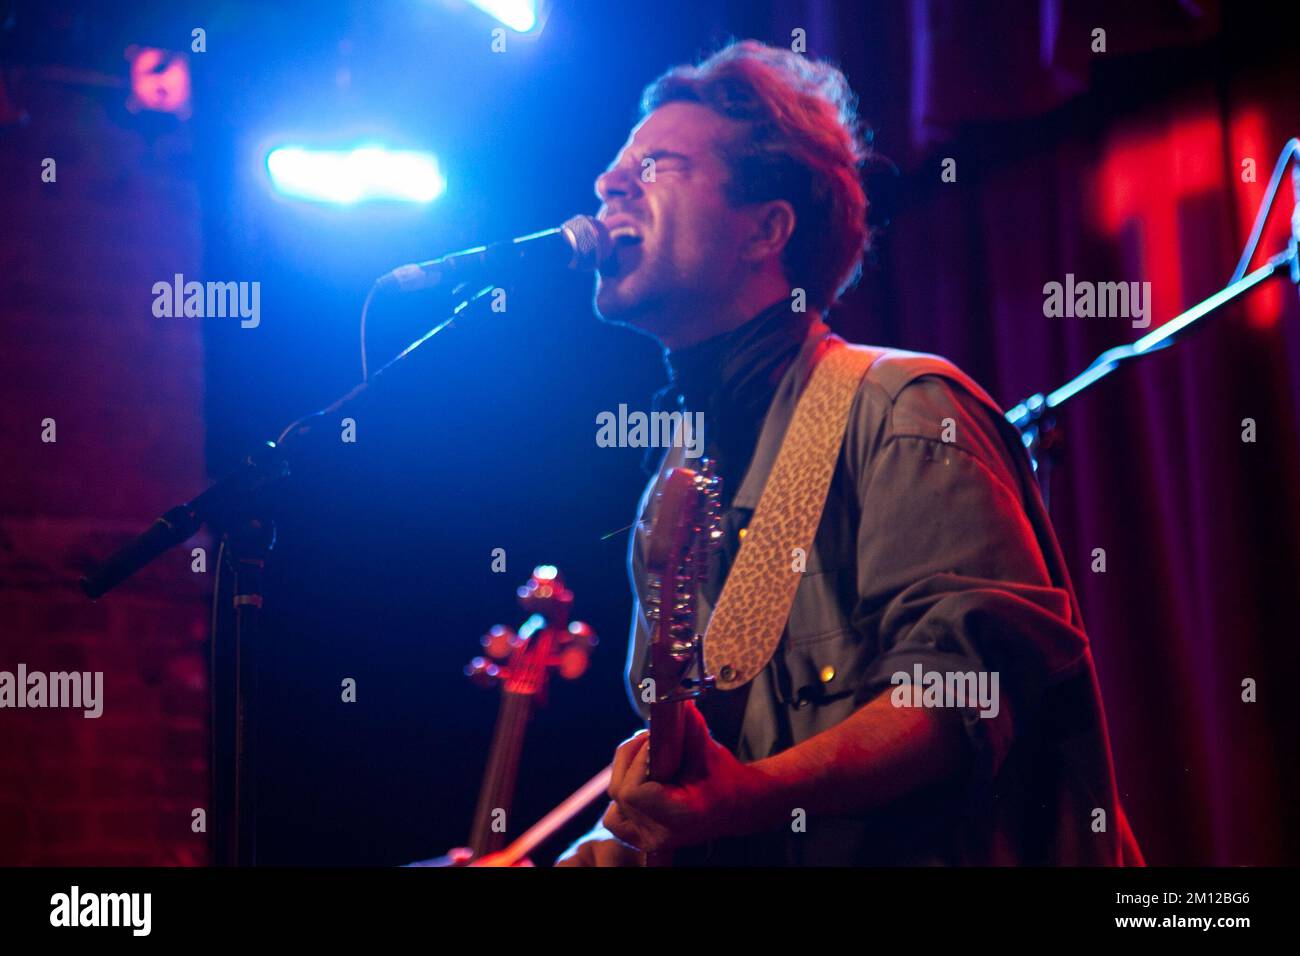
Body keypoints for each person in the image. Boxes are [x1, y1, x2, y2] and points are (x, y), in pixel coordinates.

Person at [558, 40, 1142, 866]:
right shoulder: (673, 490)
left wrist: (753, 798)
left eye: (656, 165)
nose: (609, 184)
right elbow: (700, 794)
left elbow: (964, 690)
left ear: (767, 229)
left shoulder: (901, 404)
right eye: (616, 169)